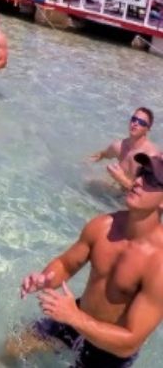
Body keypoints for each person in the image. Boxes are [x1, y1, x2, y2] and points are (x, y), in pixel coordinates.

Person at [9, 152, 163, 367]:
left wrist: (73, 317)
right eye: (140, 173)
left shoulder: (158, 263)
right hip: (75, 316)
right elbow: (66, 264)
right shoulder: (103, 226)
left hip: (110, 349)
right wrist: (44, 279)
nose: (137, 181)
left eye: (151, 181)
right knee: (9, 351)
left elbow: (130, 341)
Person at [89, 108, 159, 191]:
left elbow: (150, 195)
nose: (136, 123)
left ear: (147, 129)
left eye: (141, 122)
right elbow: (102, 155)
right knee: (89, 183)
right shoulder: (119, 146)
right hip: (120, 192)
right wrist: (86, 162)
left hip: (135, 200)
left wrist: (122, 179)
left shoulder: (151, 156)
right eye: (134, 119)